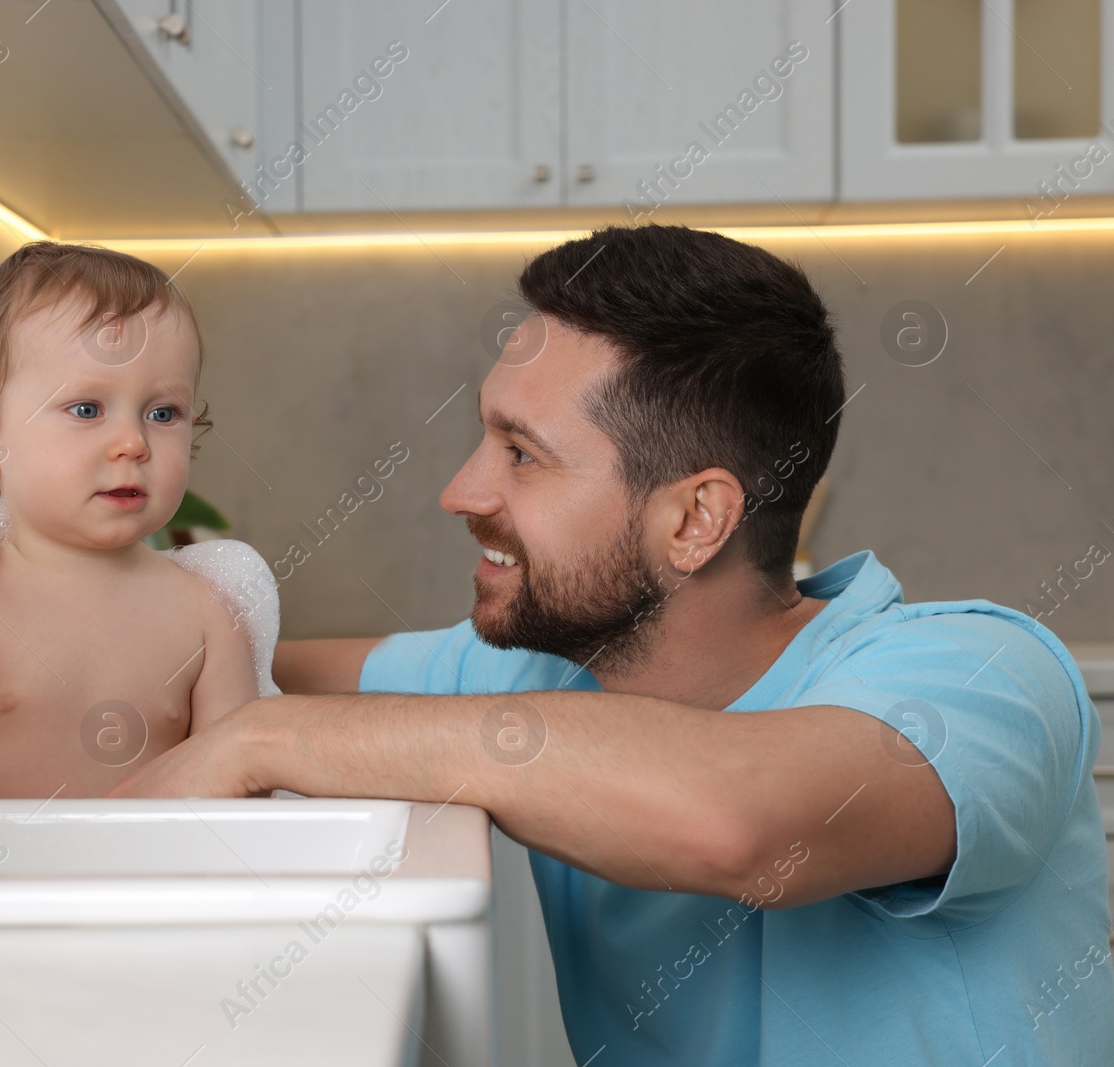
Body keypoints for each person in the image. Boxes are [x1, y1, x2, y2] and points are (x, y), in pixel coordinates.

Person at [108, 225, 1114, 1064]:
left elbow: (737, 824)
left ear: (693, 521)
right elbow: (224, 660)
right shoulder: (535, 679)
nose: (462, 490)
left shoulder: (983, 680)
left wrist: (264, 740)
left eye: (521, 454)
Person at [0, 242, 264, 843]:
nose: (133, 443)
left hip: (151, 889)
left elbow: (243, 782)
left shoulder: (209, 610)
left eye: (164, 413)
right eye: (88, 408)